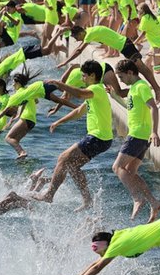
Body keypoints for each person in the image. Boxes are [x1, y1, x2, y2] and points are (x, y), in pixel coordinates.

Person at [32, 60, 115, 210]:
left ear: (92, 75)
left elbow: (79, 93)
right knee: (72, 166)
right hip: (102, 139)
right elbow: (79, 111)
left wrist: (59, 84)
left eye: (84, 76)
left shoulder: (96, 89)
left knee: (63, 158)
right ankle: (87, 200)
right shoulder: (94, 93)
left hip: (98, 137)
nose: (82, 78)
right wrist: (58, 122)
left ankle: (49, 195)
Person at [105, 59, 160, 222]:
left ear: (130, 73)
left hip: (138, 135)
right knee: (130, 172)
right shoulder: (134, 89)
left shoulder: (141, 87)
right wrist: (114, 96)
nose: (120, 81)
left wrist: (155, 132)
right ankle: (153, 202)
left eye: (121, 77)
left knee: (117, 167)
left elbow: (153, 107)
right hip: (140, 135)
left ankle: (137, 198)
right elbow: (129, 108)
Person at [60, 25, 160, 100]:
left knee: (142, 68)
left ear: (80, 33)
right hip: (124, 46)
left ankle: (157, 89)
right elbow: (77, 43)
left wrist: (66, 62)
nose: (78, 40)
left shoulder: (89, 34)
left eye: (76, 37)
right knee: (138, 70)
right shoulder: (89, 31)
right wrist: (68, 29)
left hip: (125, 46)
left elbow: (79, 50)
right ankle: (147, 89)